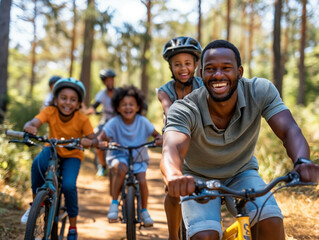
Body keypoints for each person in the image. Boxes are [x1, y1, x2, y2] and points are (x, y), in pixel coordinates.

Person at [160, 39, 319, 240]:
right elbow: (172, 148)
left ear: (240, 72)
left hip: (242, 172)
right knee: (205, 235)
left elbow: (288, 130)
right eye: (210, 69)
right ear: (201, 74)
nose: (218, 75)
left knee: (271, 221)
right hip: (198, 179)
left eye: (226, 68)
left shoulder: (259, 91)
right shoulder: (184, 108)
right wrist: (174, 175)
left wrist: (302, 161)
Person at [22, 77, 98, 240]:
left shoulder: (82, 119)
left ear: (78, 104)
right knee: (37, 163)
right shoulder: (50, 111)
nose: (67, 103)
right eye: (63, 98)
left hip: (73, 155)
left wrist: (89, 141)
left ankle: (72, 226)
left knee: (69, 186)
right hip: (53, 149)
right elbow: (35, 121)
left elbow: (95, 139)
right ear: (55, 100)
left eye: (73, 100)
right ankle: (35, 204)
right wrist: (30, 126)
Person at [157, 36, 202, 240]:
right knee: (173, 190)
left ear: (195, 65)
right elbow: (169, 110)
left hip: (201, 140)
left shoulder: (203, 85)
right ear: (170, 67)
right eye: (177, 64)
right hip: (175, 137)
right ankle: (173, 235)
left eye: (187, 63)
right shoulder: (164, 91)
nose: (183, 68)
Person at [98, 85, 162, 227]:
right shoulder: (114, 122)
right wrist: (102, 143)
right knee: (121, 169)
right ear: (118, 108)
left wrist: (159, 139)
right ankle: (114, 203)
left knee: (142, 180)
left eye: (131, 104)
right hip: (118, 155)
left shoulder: (142, 121)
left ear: (138, 107)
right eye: (124, 105)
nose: (128, 108)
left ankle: (144, 211)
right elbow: (101, 138)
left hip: (139, 158)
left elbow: (157, 135)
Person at [86, 69, 117, 176]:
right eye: (107, 81)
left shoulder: (119, 93)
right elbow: (94, 106)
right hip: (106, 121)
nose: (110, 83)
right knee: (97, 138)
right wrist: (88, 112)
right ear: (104, 82)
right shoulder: (101, 94)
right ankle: (102, 165)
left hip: (118, 121)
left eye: (111, 80)